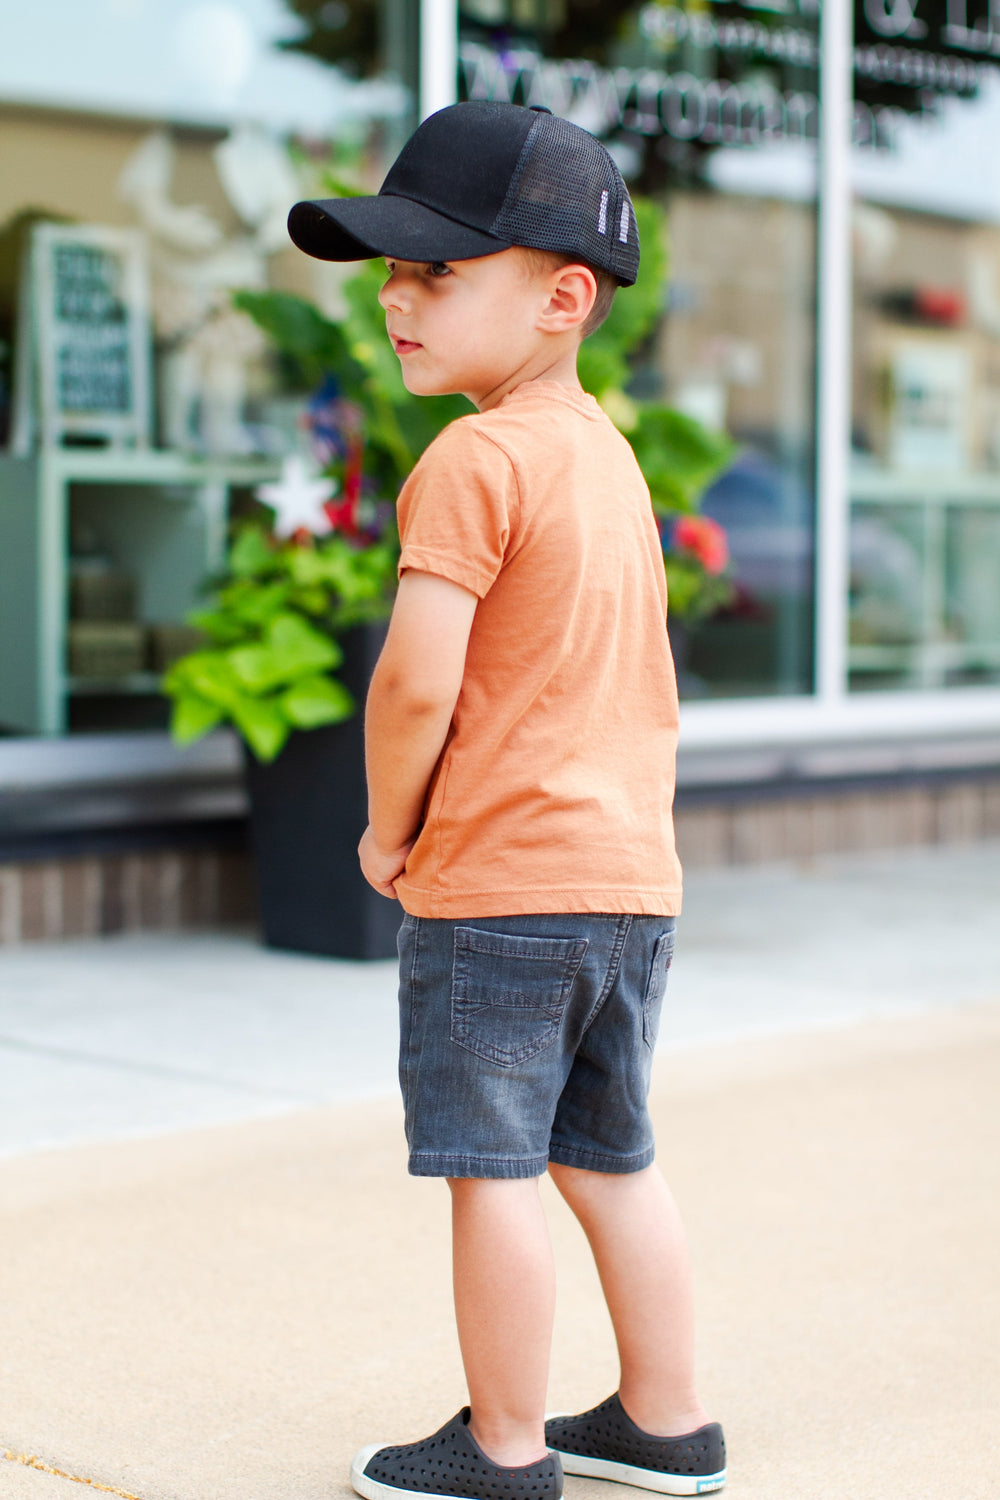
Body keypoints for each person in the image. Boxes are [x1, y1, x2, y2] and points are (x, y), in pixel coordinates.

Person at [287, 100, 725, 1500]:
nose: (398, 302)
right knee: (611, 1163)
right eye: (391, 274)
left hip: (502, 892)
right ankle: (667, 1423)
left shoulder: (474, 459)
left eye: (437, 272)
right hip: (624, 889)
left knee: (494, 1172)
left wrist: (383, 827)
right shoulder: (604, 460)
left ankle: (503, 1447)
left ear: (562, 295)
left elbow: (417, 685)